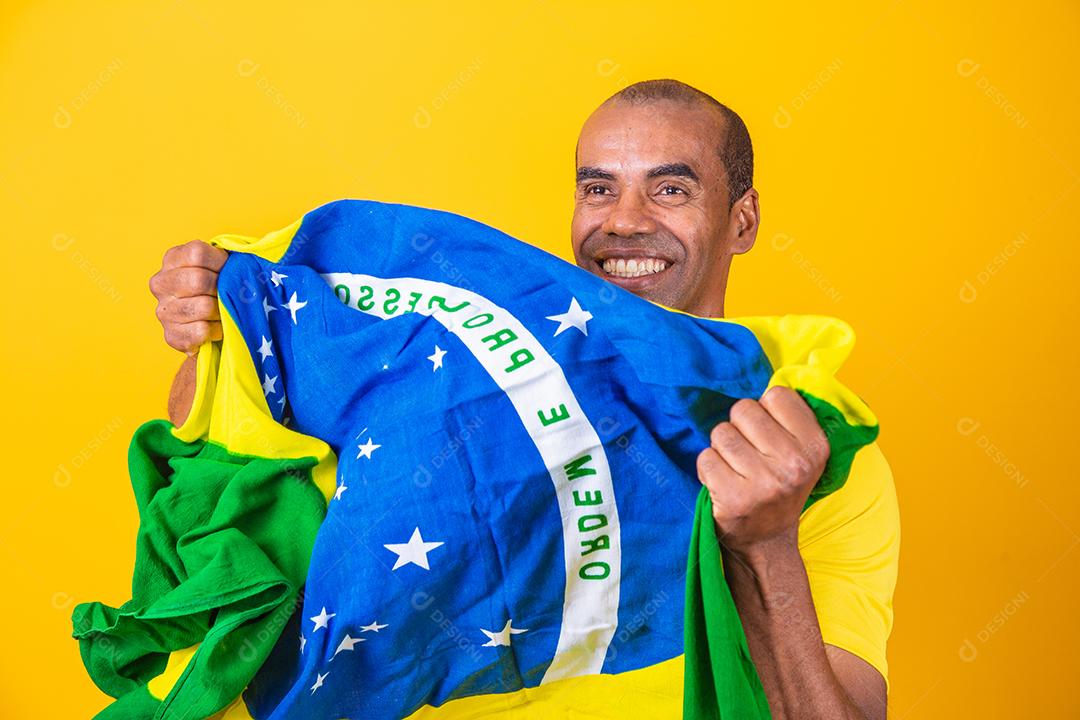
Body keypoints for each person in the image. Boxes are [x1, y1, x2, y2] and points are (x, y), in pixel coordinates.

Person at [149, 79, 899, 720]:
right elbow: (238, 478)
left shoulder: (804, 459)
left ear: (743, 220)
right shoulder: (455, 351)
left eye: (670, 189)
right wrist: (224, 335)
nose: (625, 221)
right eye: (598, 187)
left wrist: (765, 547)